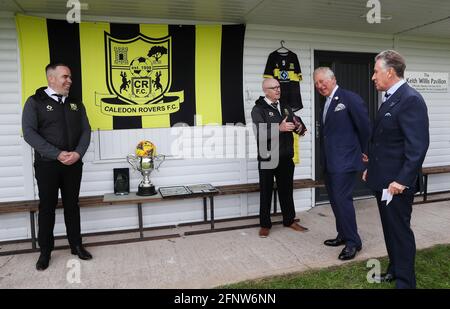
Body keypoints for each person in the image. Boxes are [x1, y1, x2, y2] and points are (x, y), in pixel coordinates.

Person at [363, 50, 429, 288]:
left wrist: (401, 180)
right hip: (384, 179)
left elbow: (417, 146)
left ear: (390, 72)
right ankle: (394, 270)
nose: (373, 77)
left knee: (400, 233)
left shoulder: (410, 99)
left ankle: (405, 282)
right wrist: (372, 167)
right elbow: (387, 141)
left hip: (397, 185)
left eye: (375, 72)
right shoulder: (391, 96)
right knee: (390, 230)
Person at [22, 63, 93, 271]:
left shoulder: (75, 103)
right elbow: (29, 133)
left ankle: (76, 245)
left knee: (72, 205)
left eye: (70, 77)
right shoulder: (35, 102)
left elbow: (86, 131)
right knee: (47, 208)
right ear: (51, 79)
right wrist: (57, 154)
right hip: (47, 166)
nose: (69, 81)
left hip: (73, 164)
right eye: (65, 77)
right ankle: (45, 252)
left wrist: (78, 153)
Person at [313, 67, 370, 260]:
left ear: (333, 79)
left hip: (345, 162)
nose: (320, 86)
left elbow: (365, 128)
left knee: (343, 202)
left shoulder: (349, 98)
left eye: (322, 81)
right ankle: (343, 235)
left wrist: (366, 154)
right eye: (316, 83)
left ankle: (354, 243)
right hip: (330, 163)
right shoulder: (326, 103)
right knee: (336, 202)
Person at [251, 78, 308, 238]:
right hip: (268, 157)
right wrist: (280, 128)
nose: (278, 90)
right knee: (266, 192)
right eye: (274, 87)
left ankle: (289, 220)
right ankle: (265, 225)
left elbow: (295, 122)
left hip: (285, 157)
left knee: (286, 191)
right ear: (265, 91)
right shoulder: (258, 109)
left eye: (279, 87)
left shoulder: (285, 107)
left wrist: (299, 127)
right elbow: (260, 134)